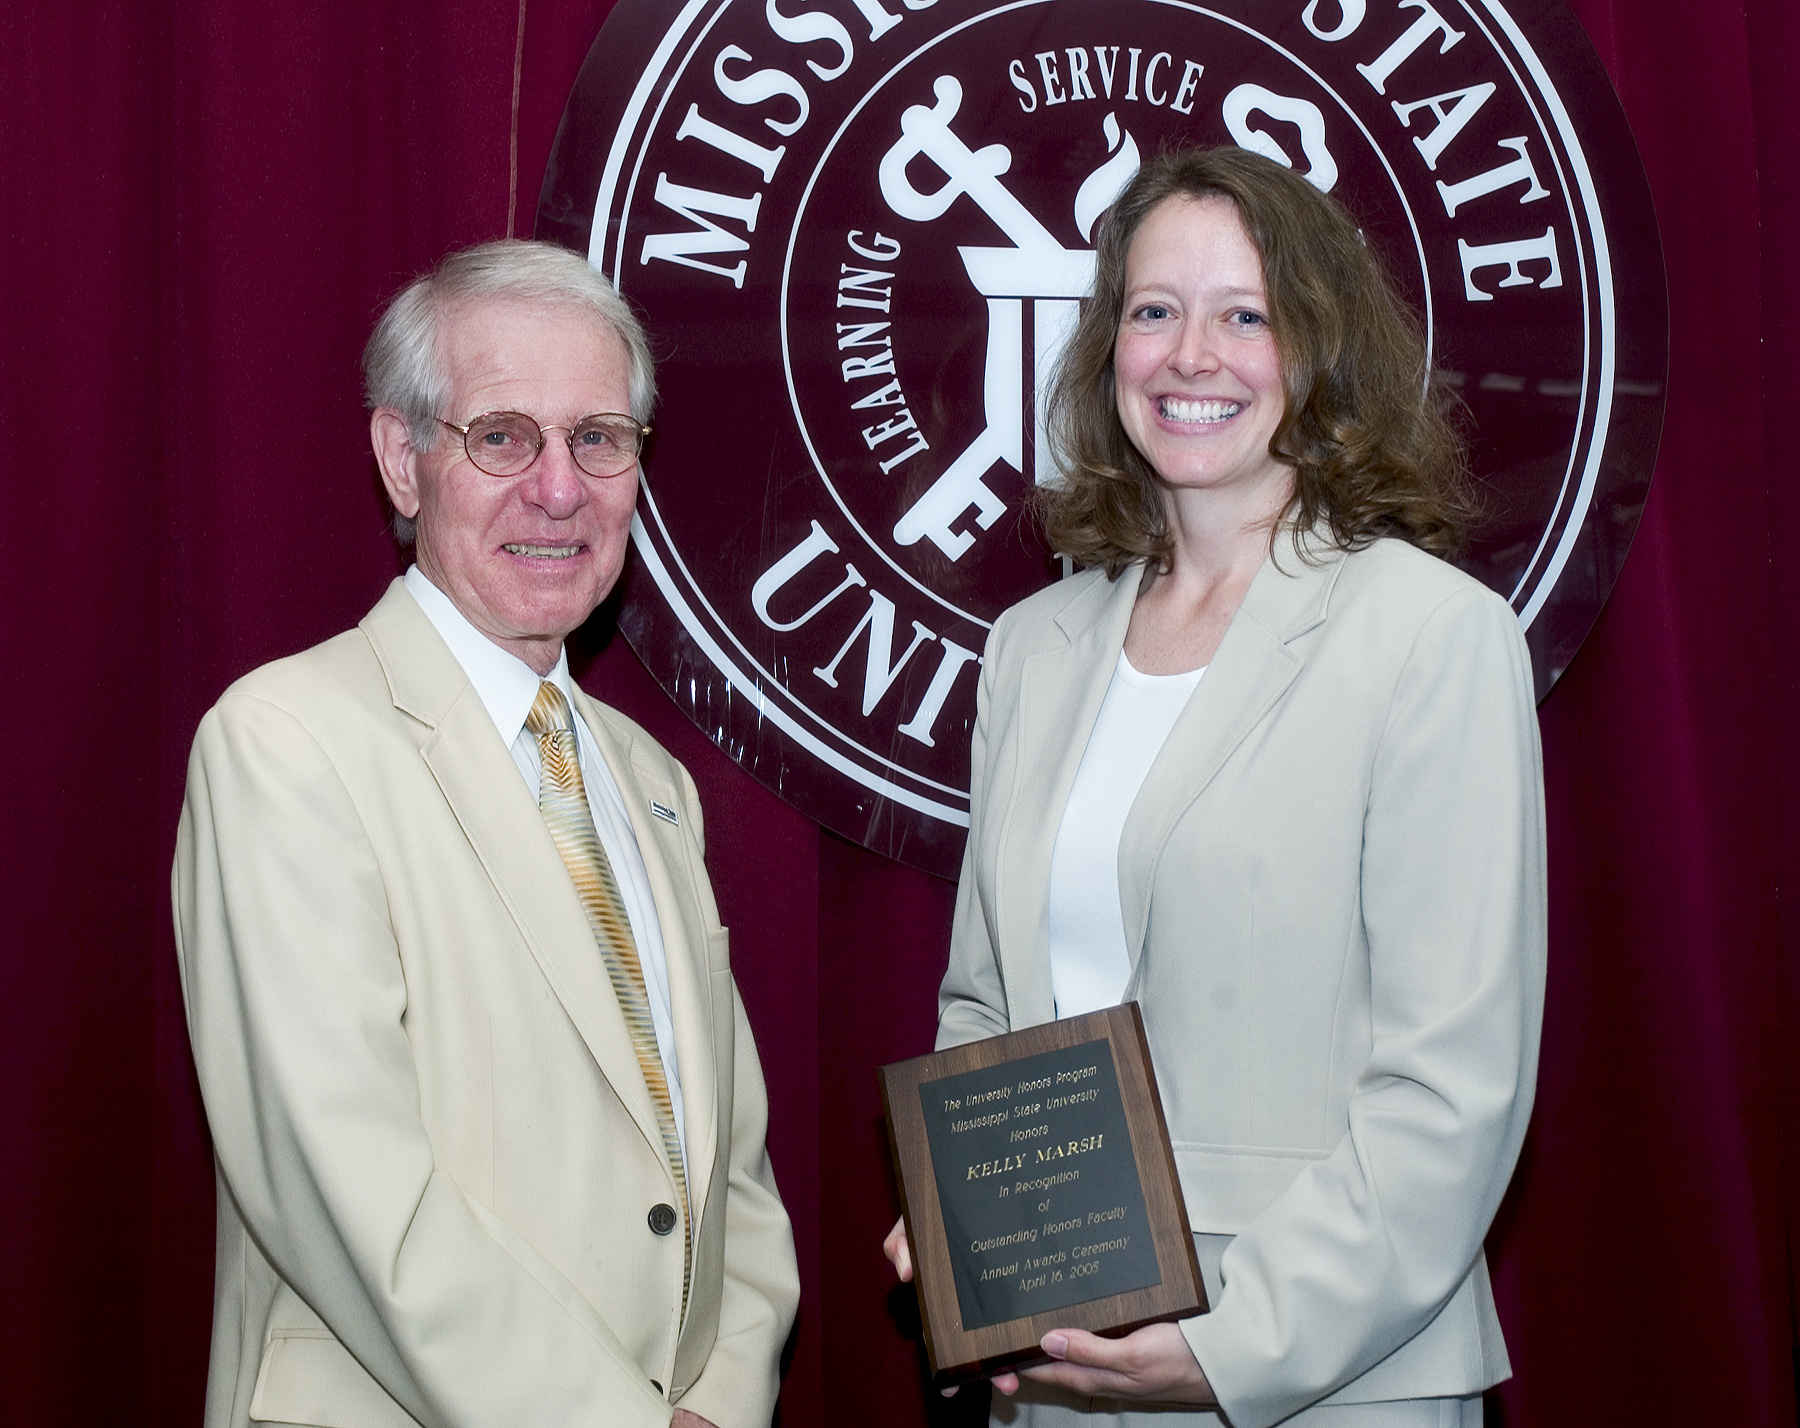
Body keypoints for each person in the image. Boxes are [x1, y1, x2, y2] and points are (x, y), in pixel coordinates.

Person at [885, 147, 1546, 1427]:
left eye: (1246, 314)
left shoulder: (1429, 635)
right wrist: (965, 1219)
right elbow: (988, 1012)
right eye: (1154, 311)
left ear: (1317, 351)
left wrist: (1234, 1344)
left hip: (1329, 1379)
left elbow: (1451, 1091)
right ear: (1107, 350)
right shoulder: (1034, 648)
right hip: (1062, 1377)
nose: (1195, 354)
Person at [174, 240, 798, 1428]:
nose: (559, 489)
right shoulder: (286, 744)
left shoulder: (647, 781)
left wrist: (719, 1399)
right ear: (402, 462)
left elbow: (732, 1180)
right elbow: (345, 1188)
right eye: (502, 437)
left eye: (599, 439)